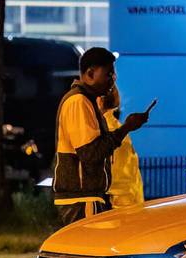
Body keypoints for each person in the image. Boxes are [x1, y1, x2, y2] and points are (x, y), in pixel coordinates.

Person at [52, 47, 149, 225]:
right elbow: (90, 153)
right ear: (90, 73)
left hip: (84, 197)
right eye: (109, 73)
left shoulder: (85, 101)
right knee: (89, 250)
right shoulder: (79, 102)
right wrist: (126, 128)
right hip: (82, 199)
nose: (113, 79)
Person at [101, 85, 144, 209]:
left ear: (99, 101)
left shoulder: (107, 131)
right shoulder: (117, 129)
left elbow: (121, 182)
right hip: (128, 208)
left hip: (120, 213)